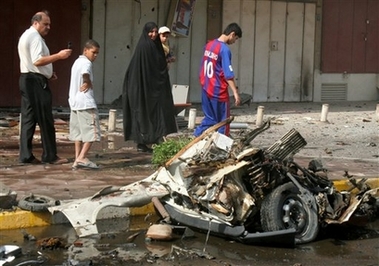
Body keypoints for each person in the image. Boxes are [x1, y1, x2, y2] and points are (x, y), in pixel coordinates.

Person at [18, 10, 72, 164]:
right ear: (36, 23)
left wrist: (48, 73)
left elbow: (33, 63)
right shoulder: (35, 37)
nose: (48, 27)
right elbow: (37, 60)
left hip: (28, 78)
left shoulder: (26, 35)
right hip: (35, 81)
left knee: (28, 119)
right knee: (45, 119)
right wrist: (59, 56)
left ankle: (25, 155)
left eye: (49, 24)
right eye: (45, 24)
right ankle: (50, 155)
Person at [122, 22, 177, 153]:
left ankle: (157, 139)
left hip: (154, 87)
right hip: (143, 87)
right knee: (143, 113)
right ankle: (142, 143)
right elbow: (147, 68)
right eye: (150, 32)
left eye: (155, 32)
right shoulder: (145, 46)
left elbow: (159, 65)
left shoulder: (156, 46)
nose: (153, 35)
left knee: (158, 112)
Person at [194, 23, 242, 137]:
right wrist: (235, 92)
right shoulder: (224, 50)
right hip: (218, 91)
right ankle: (222, 148)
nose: (234, 41)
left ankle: (195, 137)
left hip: (206, 88)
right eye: (235, 39)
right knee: (223, 122)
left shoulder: (209, 45)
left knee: (210, 119)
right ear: (232, 34)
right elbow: (228, 74)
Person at [68, 40, 101, 170]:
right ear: (85, 50)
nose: (95, 56)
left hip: (75, 103)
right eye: (93, 52)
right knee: (92, 132)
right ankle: (82, 157)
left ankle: (77, 158)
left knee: (78, 134)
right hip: (85, 103)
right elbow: (85, 72)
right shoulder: (86, 63)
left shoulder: (76, 62)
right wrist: (87, 81)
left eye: (97, 53)